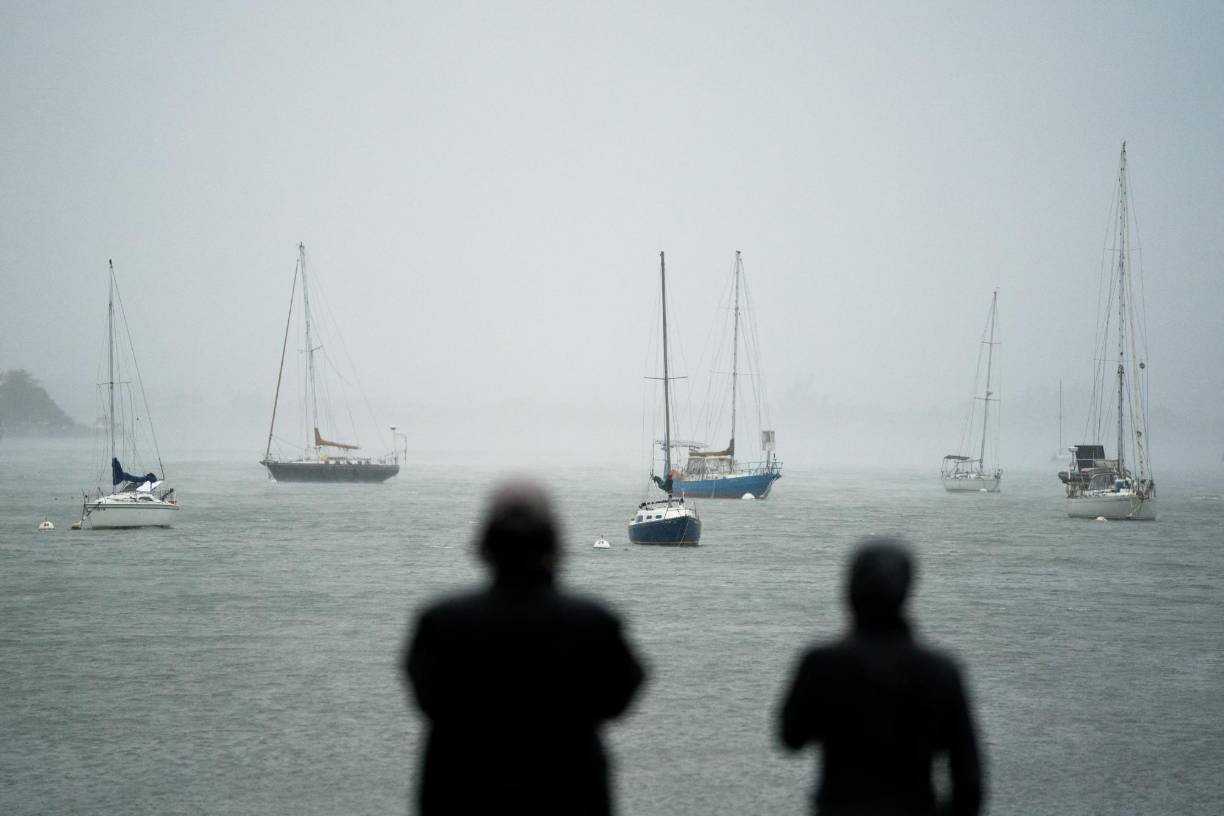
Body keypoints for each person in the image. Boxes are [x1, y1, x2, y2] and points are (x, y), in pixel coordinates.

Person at [403, 479, 645, 815]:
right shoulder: (595, 623)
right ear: (553, 544)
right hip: (569, 790)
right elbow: (620, 698)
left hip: (462, 790)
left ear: (485, 544)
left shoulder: (440, 623)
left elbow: (426, 699)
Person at [778, 537, 984, 816]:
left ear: (850, 590)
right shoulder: (941, 672)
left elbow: (791, 738)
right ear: (907, 591)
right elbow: (969, 784)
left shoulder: (823, 663)